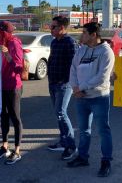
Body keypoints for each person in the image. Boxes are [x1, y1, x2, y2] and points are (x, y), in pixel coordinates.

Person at [67, 22, 114, 177]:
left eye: (85, 33)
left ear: (94, 35)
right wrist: (75, 87)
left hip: (99, 97)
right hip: (81, 98)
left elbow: (102, 77)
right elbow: (73, 69)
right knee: (83, 130)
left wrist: (82, 87)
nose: (82, 36)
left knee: (103, 130)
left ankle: (106, 161)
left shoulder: (106, 52)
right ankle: (82, 157)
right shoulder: (82, 50)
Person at [0, 21, 24, 165]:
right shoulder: (0, 44)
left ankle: (17, 150)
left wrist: (7, 55)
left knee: (15, 118)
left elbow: (18, 68)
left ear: (4, 32)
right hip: (1, 85)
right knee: (3, 116)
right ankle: (5, 146)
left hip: (13, 86)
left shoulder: (14, 43)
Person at [47, 16, 77, 160]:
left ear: (62, 28)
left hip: (64, 84)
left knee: (61, 112)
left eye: (53, 27)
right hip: (52, 82)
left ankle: (71, 146)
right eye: (50, 26)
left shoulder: (70, 42)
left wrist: (65, 81)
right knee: (57, 113)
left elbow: (73, 65)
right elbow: (52, 59)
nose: (50, 29)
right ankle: (63, 141)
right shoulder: (54, 42)